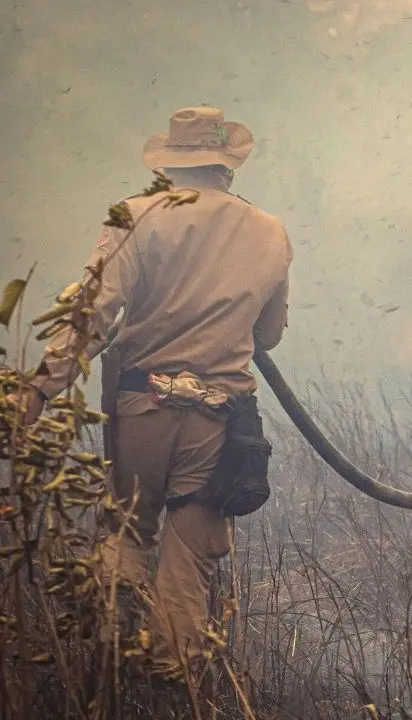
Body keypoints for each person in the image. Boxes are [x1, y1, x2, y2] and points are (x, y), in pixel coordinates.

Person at [17, 106, 292, 680]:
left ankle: (110, 676)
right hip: (219, 421)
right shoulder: (270, 231)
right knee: (189, 568)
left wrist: (40, 391)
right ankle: (172, 691)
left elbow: (91, 316)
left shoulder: (134, 217)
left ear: (169, 166)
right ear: (228, 167)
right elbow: (266, 335)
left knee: (124, 537)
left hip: (141, 408)